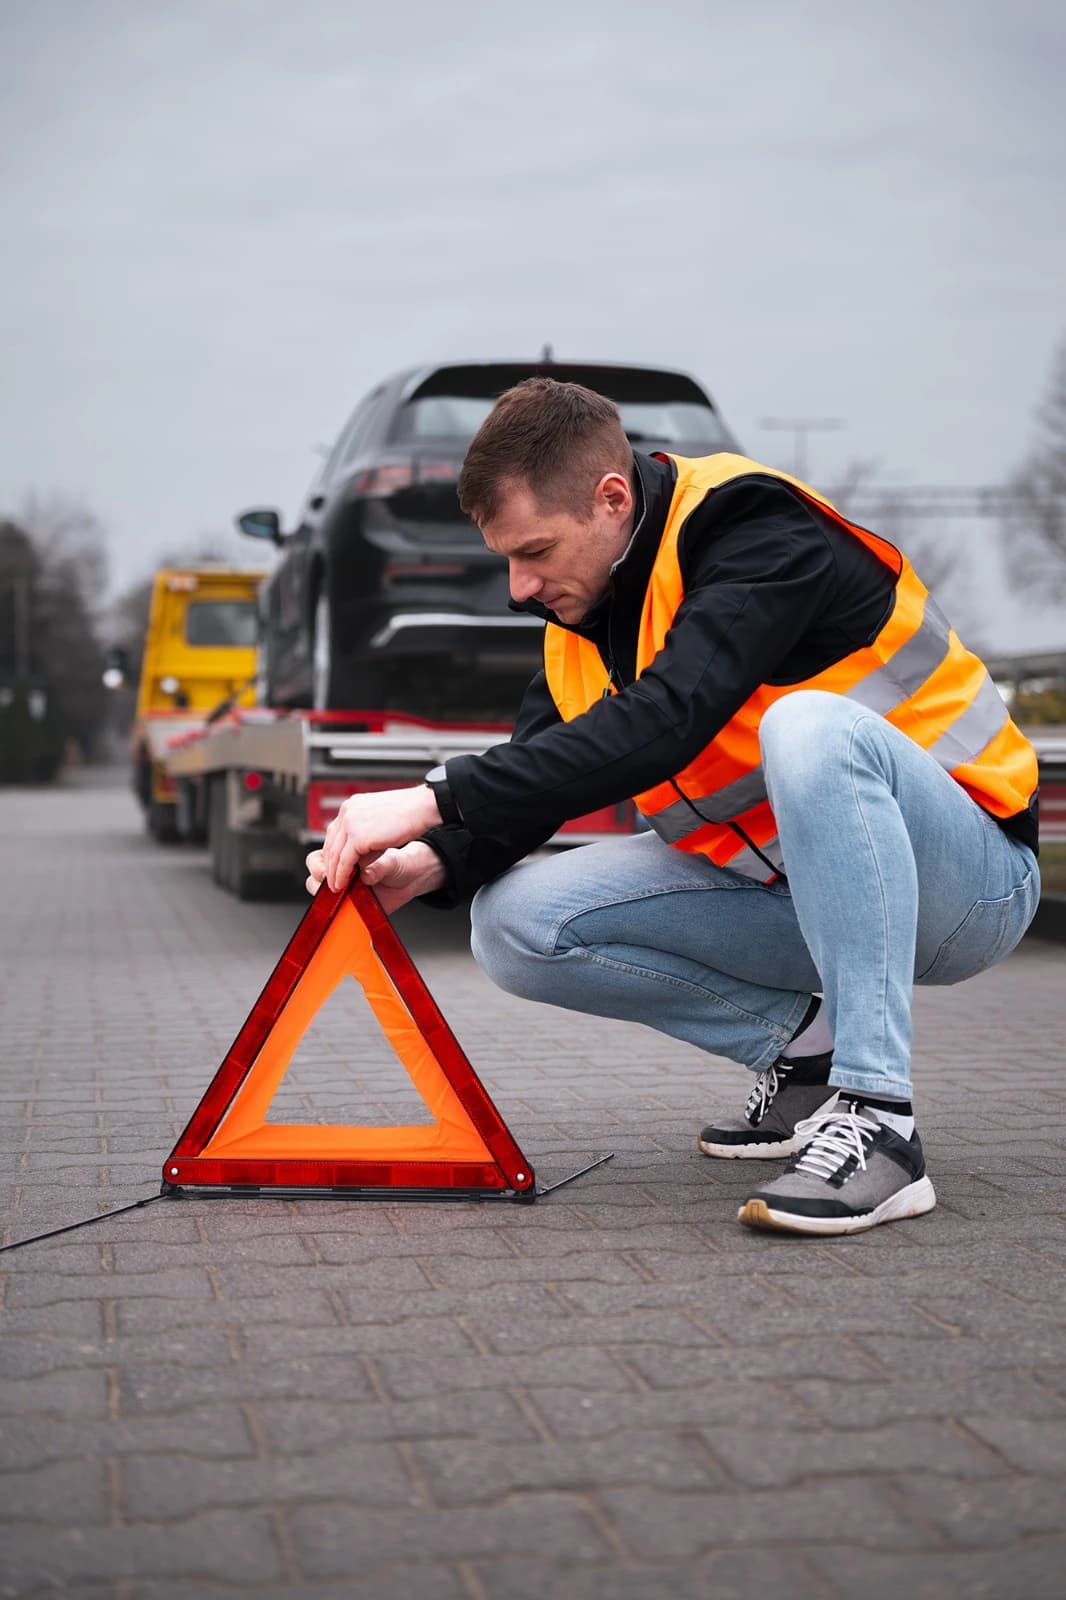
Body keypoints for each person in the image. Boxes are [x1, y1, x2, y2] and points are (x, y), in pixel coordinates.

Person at [305, 378, 1041, 1237]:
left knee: (809, 728)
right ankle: (809, 1058)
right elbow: (538, 774)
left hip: (968, 883)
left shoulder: (753, 529)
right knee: (512, 921)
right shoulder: (580, 622)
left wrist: (430, 797)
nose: (518, 586)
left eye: (534, 550)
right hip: (804, 895)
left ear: (610, 498)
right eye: (506, 558)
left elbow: (669, 717)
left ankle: (879, 1121)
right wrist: (435, 860)